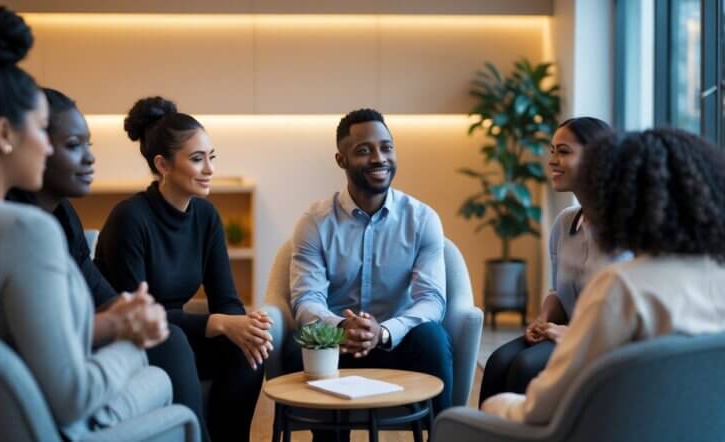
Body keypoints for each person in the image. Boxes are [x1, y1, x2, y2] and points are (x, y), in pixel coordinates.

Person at [0, 7, 172, 440]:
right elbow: (72, 395)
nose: (46, 146)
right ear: (4, 134)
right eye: (41, 130)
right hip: (42, 425)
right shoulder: (24, 232)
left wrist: (110, 323)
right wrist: (132, 339)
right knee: (158, 378)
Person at [6, 87, 210, 441]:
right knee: (170, 342)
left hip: (82, 346)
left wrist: (132, 309)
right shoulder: (21, 229)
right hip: (58, 369)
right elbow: (53, 331)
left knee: (175, 339)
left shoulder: (63, 214)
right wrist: (123, 322)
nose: (89, 159)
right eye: (74, 145)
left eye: (89, 145)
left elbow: (98, 290)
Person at [482, 127, 725, 423]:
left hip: (610, 426)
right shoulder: (717, 276)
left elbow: (538, 409)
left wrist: (495, 407)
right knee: (502, 363)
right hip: (687, 424)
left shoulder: (623, 285)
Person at [94, 96, 271, 441]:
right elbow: (135, 314)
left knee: (248, 347)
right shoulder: (130, 219)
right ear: (163, 164)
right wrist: (218, 322)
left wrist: (243, 325)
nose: (210, 169)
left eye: (211, 157)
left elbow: (226, 299)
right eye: (197, 159)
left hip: (177, 333)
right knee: (175, 339)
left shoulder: (206, 216)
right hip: (131, 338)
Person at [288, 108, 452, 441]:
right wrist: (340, 328)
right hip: (337, 345)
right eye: (364, 150)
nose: (379, 158)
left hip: (399, 342)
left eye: (386, 147)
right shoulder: (315, 222)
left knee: (432, 338)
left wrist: (385, 332)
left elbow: (432, 300)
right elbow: (306, 299)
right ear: (341, 159)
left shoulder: (422, 219)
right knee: (303, 342)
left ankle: (443, 436)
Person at [479, 117, 631, 405]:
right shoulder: (565, 223)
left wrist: (572, 332)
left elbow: (626, 313)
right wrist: (544, 319)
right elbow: (559, 293)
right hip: (566, 331)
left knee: (525, 367)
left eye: (563, 151)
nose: (552, 160)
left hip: (605, 340)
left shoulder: (627, 228)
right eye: (552, 151)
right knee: (498, 361)